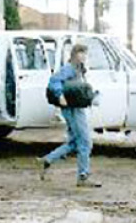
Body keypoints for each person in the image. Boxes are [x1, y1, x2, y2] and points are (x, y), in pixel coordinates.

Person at [38, 44, 101, 188]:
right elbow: (54, 81)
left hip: (76, 107)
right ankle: (83, 177)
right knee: (85, 142)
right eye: (81, 53)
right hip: (72, 109)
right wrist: (60, 95)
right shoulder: (69, 68)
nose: (84, 56)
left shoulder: (79, 69)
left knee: (74, 142)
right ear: (74, 54)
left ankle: (48, 159)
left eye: (85, 53)